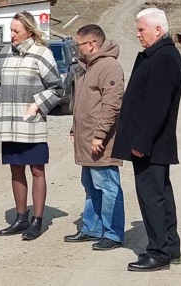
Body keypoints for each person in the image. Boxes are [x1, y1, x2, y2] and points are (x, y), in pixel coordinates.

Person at [111, 7, 181, 272]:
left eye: (141, 29)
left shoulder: (164, 58)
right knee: (161, 194)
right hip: (153, 142)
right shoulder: (158, 55)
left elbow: (157, 106)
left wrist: (142, 141)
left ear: (158, 29)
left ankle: (159, 252)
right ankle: (169, 247)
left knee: (152, 197)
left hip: (151, 144)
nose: (137, 34)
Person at [0, 11, 64, 240]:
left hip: (32, 123)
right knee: (15, 168)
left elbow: (57, 88)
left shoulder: (42, 54)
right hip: (9, 124)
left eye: (16, 31)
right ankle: (21, 217)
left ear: (29, 32)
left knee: (36, 169)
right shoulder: (4, 54)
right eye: (10, 30)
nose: (11, 35)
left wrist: (36, 106)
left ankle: (37, 220)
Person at [64, 24, 125, 251]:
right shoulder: (87, 67)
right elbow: (82, 105)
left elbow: (111, 105)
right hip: (86, 139)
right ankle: (92, 227)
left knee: (108, 186)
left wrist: (99, 135)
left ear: (90, 44)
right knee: (91, 185)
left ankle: (113, 233)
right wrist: (74, 129)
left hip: (100, 142)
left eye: (78, 44)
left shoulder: (109, 67)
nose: (76, 49)